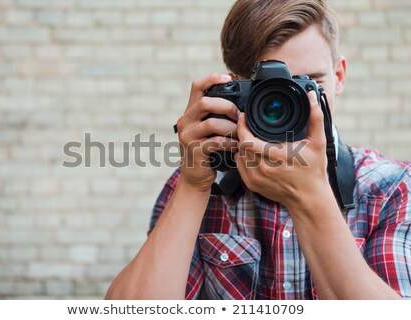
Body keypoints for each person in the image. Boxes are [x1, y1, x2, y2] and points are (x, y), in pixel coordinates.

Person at [106, 0, 410, 299]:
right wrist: (193, 186)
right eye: (271, 91)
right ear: (235, 89)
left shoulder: (390, 189)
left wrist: (310, 197)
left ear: (339, 76)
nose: (294, 104)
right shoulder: (200, 183)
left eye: (310, 84)